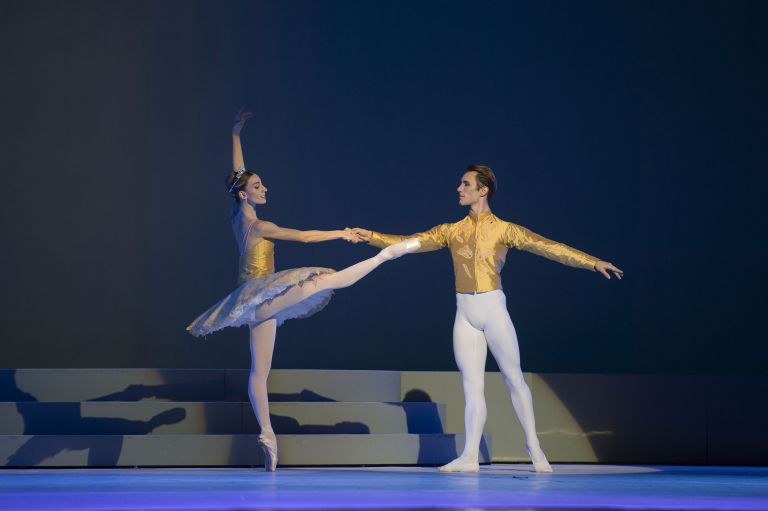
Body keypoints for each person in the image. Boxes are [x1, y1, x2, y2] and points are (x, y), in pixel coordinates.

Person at [187, 110, 419, 471]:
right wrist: (342, 233)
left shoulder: (238, 216)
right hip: (261, 293)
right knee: (323, 280)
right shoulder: (261, 225)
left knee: (259, 372)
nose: (265, 189)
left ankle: (267, 434)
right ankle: (384, 257)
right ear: (246, 195)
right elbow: (306, 237)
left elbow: (238, 178)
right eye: (259, 186)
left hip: (253, 299)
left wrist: (235, 134)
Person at [352, 164, 622, 473]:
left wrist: (593, 262)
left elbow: (550, 247)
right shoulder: (450, 231)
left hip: (493, 309)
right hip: (464, 312)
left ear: (483, 190)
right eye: (460, 184)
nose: (459, 189)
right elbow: (407, 243)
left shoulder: (505, 229)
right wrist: (371, 236)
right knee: (471, 387)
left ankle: (534, 445)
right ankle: (469, 456)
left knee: (514, 378)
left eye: (465, 184)